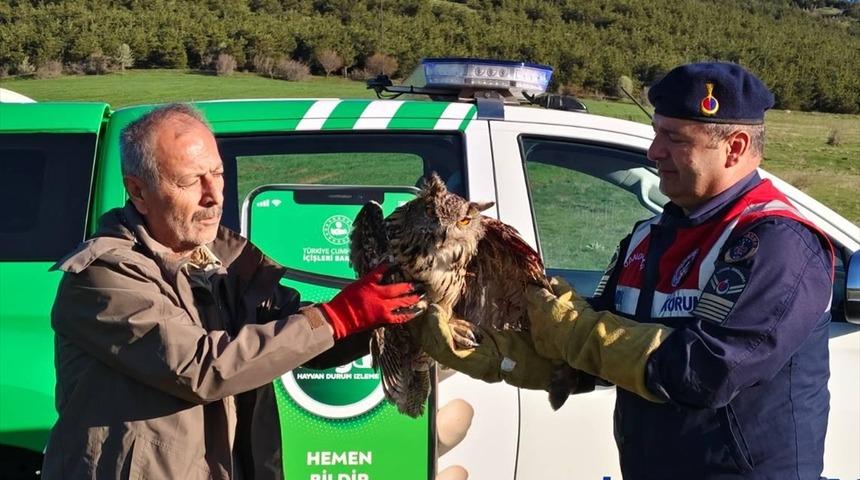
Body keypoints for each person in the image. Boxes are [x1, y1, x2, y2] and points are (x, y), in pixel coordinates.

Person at [416, 62, 835, 479]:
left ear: (736, 147)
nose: (654, 152)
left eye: (673, 138)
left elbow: (708, 371)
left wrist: (578, 332)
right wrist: (499, 354)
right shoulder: (649, 236)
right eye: (655, 133)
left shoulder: (778, 242)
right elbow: (596, 352)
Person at [40, 104, 425, 479]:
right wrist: (340, 316)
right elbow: (203, 368)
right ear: (138, 192)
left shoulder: (223, 263)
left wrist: (396, 313)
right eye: (190, 180)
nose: (213, 195)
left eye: (218, 174)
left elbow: (297, 335)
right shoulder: (102, 277)